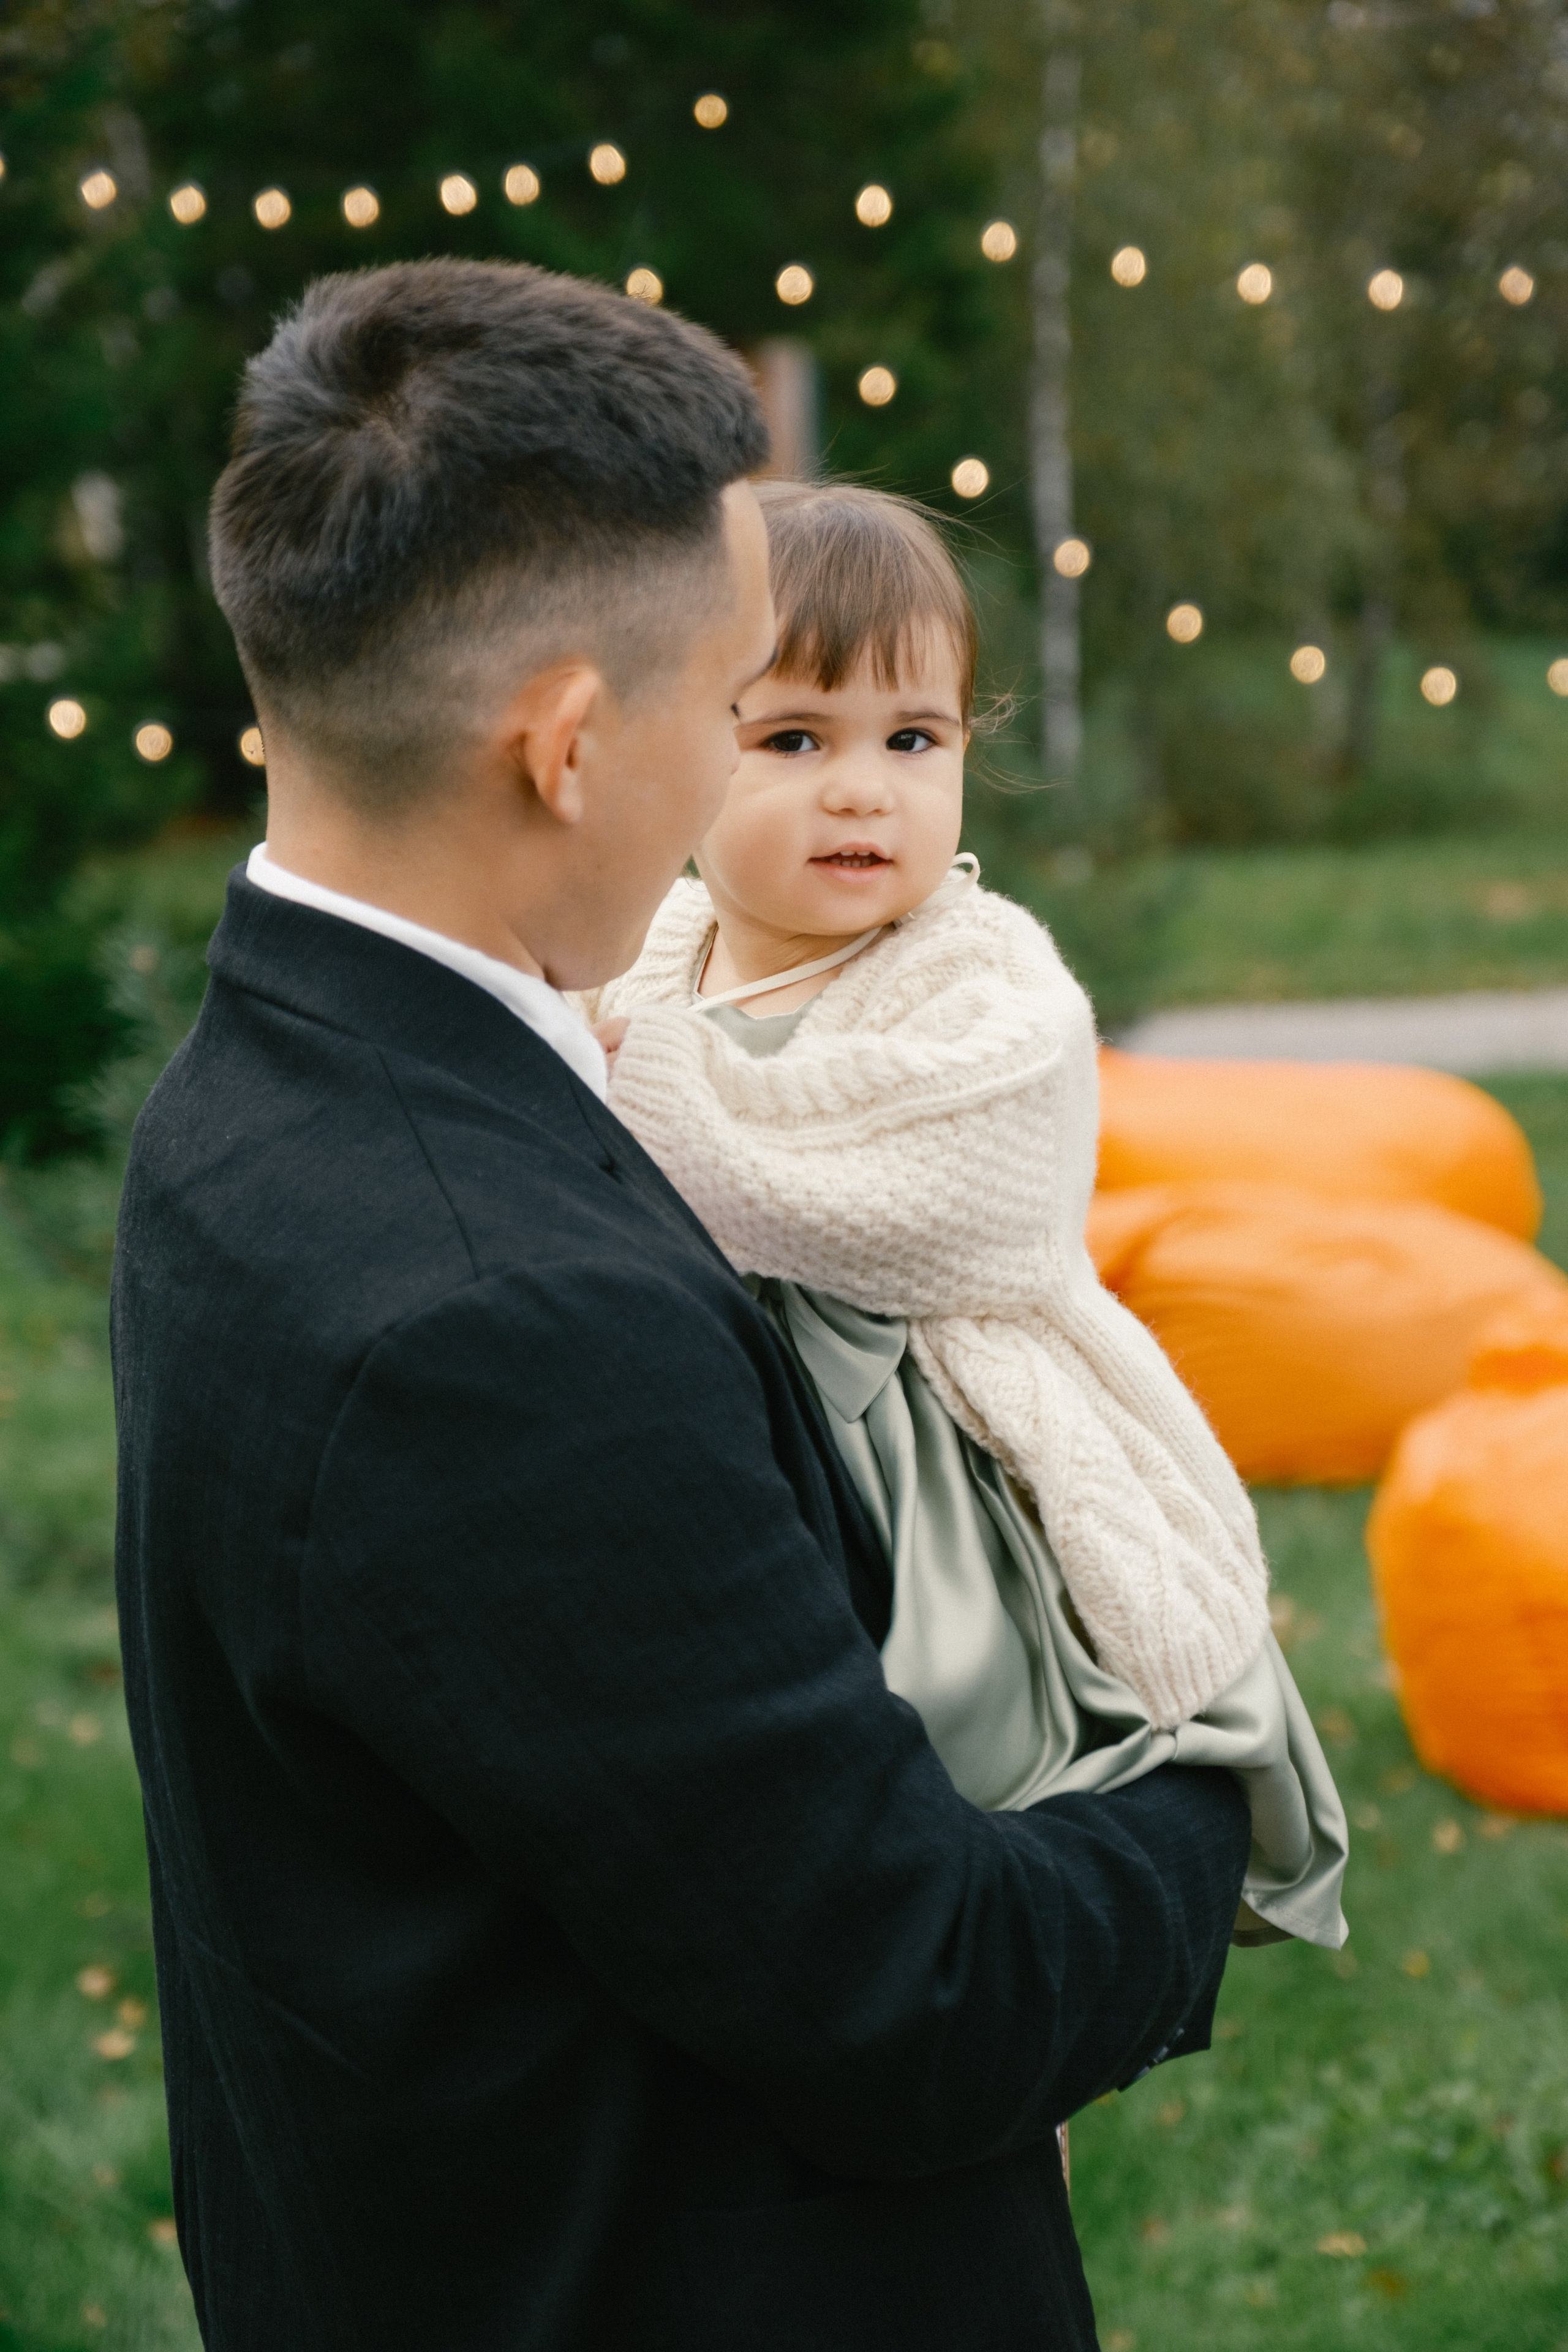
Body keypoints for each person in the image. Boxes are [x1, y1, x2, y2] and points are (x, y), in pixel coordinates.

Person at [113, 259, 1251, 2352]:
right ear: (567, 746)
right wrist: (1215, 1785)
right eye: (742, 699)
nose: (789, 754)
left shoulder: (253, 1082)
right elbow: (922, 1992)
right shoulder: (496, 1322)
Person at [589, 481, 1349, 1956]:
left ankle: (1012, 2089)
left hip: (928, 1465)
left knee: (967, 1847)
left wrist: (655, 1088)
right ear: (681, 757)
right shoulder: (645, 961)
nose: (862, 789)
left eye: (911, 739)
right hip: (719, 1438)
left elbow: (918, 1214)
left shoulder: (988, 985)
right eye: (793, 740)